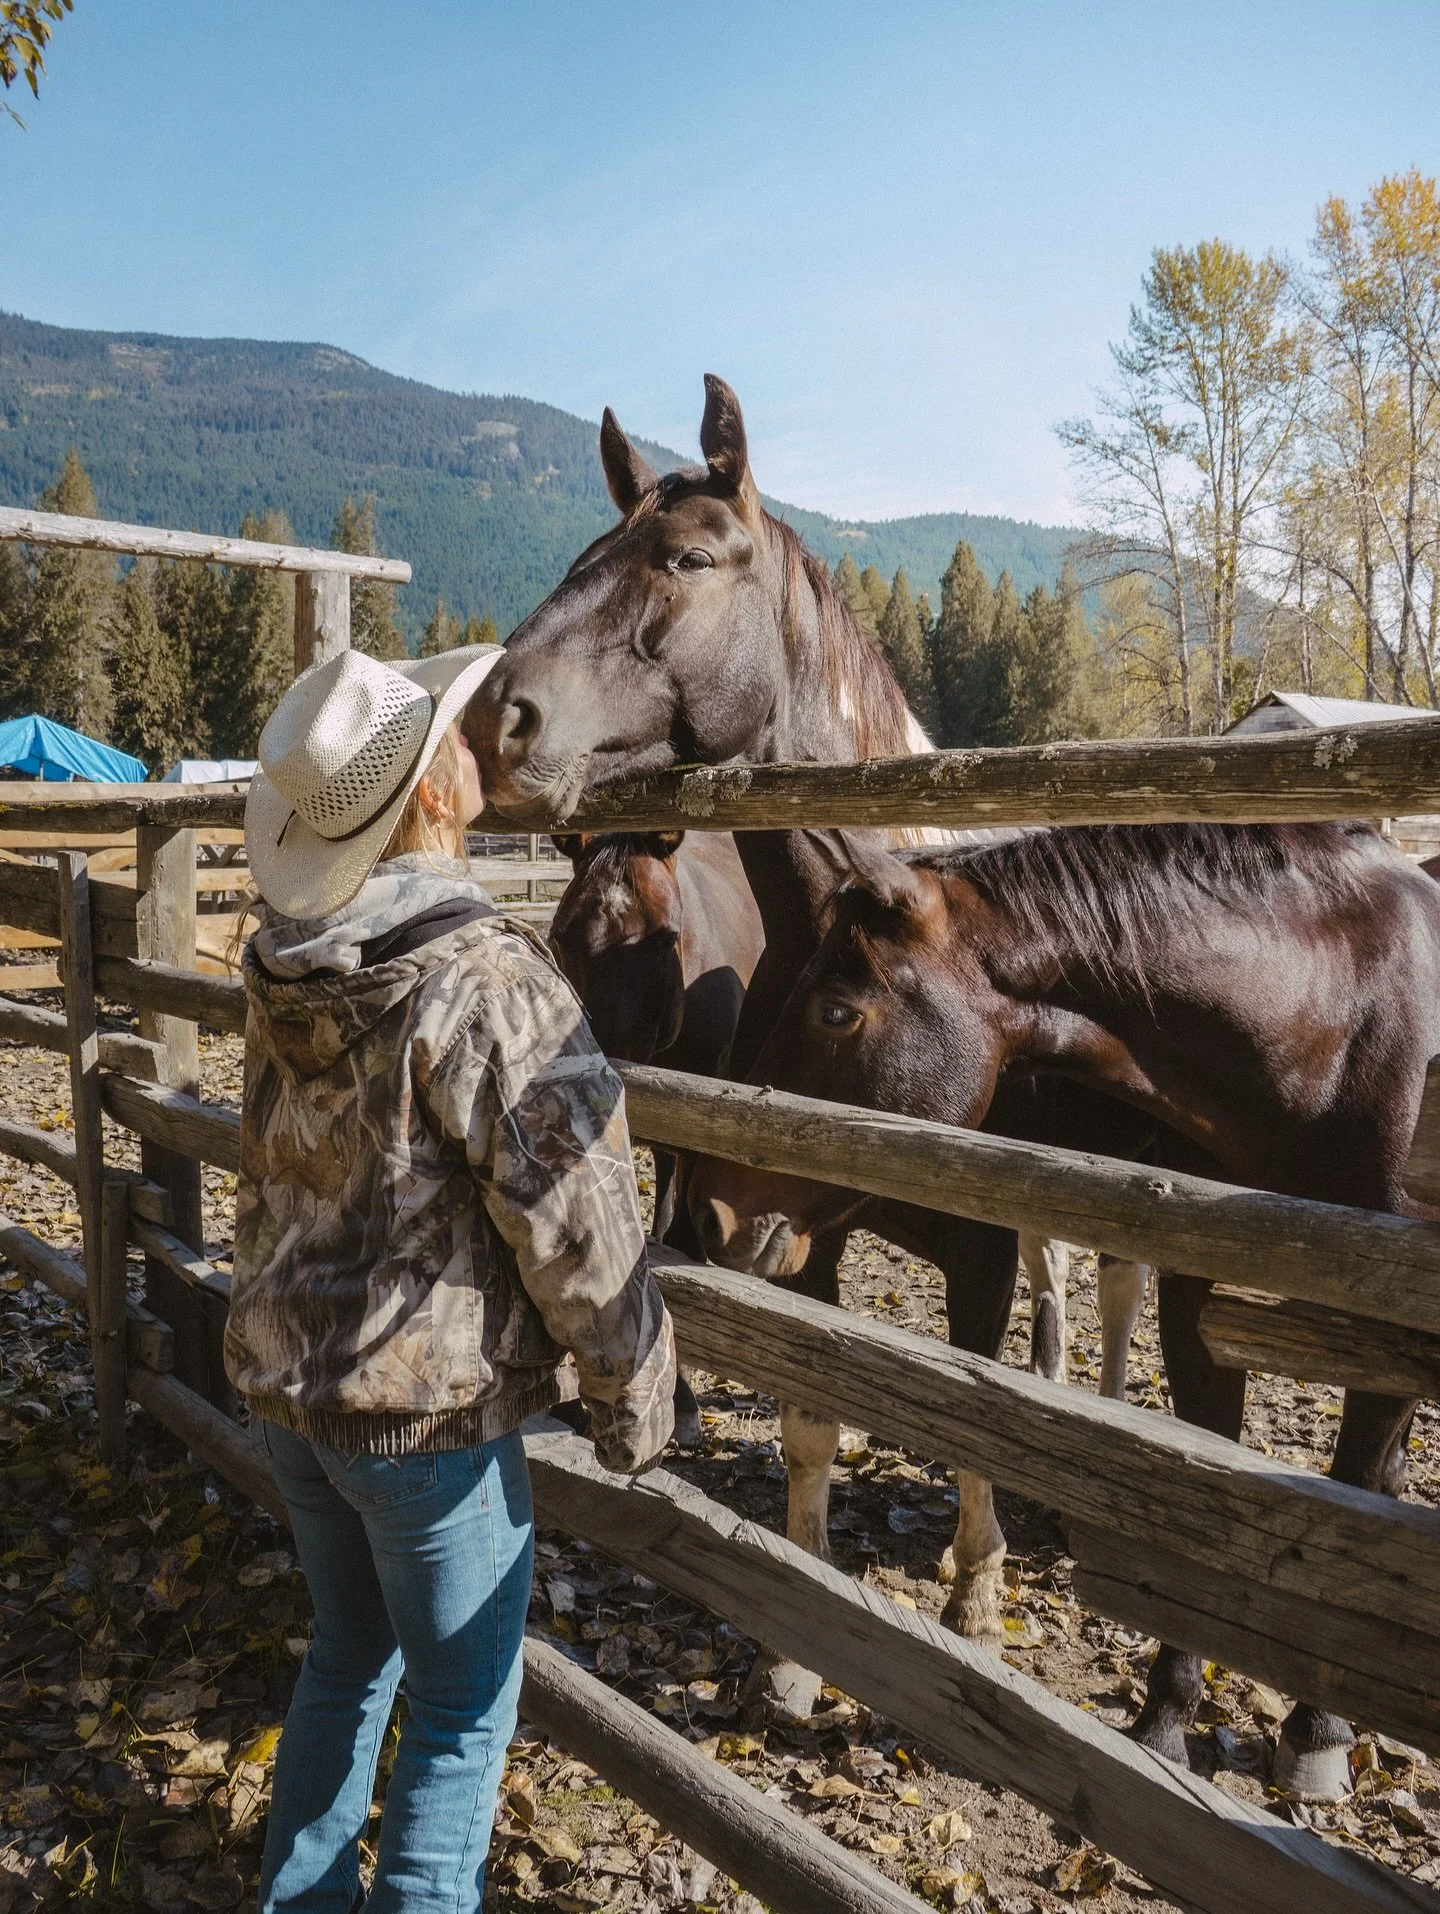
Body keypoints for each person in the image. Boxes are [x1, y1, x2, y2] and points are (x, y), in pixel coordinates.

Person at [225, 644, 676, 1913]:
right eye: (454, 739)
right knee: (464, 1715)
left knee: (345, 1662)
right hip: (420, 1419)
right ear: (430, 791)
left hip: (295, 1397)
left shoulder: (287, 962)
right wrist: (631, 1377)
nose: (481, 742)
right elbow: (574, 1207)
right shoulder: (483, 976)